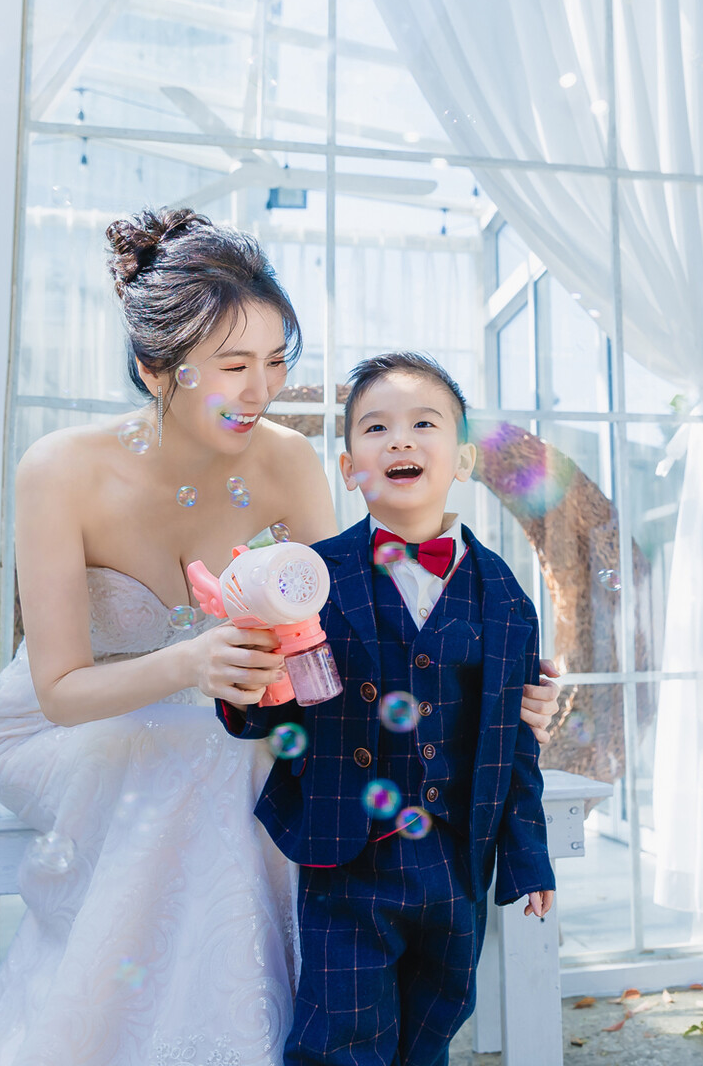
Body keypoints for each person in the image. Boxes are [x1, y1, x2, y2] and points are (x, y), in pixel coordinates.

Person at [0, 210, 560, 1066]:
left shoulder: (287, 460)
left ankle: (319, 1014)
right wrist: (192, 660)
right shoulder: (60, 470)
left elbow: (346, 636)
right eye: (233, 366)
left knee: (257, 756)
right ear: (156, 368)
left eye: (275, 360)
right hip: (68, 722)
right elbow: (59, 690)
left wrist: (497, 690)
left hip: (231, 705)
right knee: (220, 766)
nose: (262, 390)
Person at [218, 352, 555, 1066]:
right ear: (349, 469)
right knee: (339, 1034)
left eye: (424, 424)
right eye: (376, 428)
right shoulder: (308, 577)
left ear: (463, 459)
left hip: (455, 863)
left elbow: (514, 740)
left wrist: (528, 860)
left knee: (435, 1023)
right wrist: (251, 683)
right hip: (348, 857)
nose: (400, 439)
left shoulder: (505, 596)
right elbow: (278, 715)